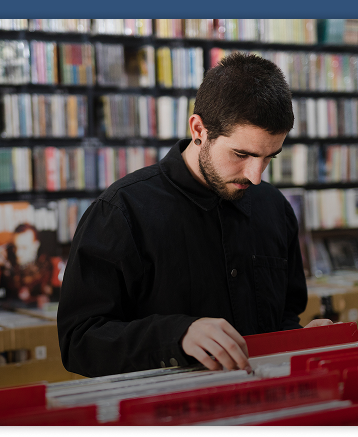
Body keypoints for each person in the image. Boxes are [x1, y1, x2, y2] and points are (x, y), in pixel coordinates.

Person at [57, 52, 332, 379]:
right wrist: (176, 336)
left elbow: (283, 316)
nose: (256, 176)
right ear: (199, 129)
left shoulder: (274, 207)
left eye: (269, 157)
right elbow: (78, 341)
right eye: (241, 154)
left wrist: (300, 340)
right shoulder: (120, 212)